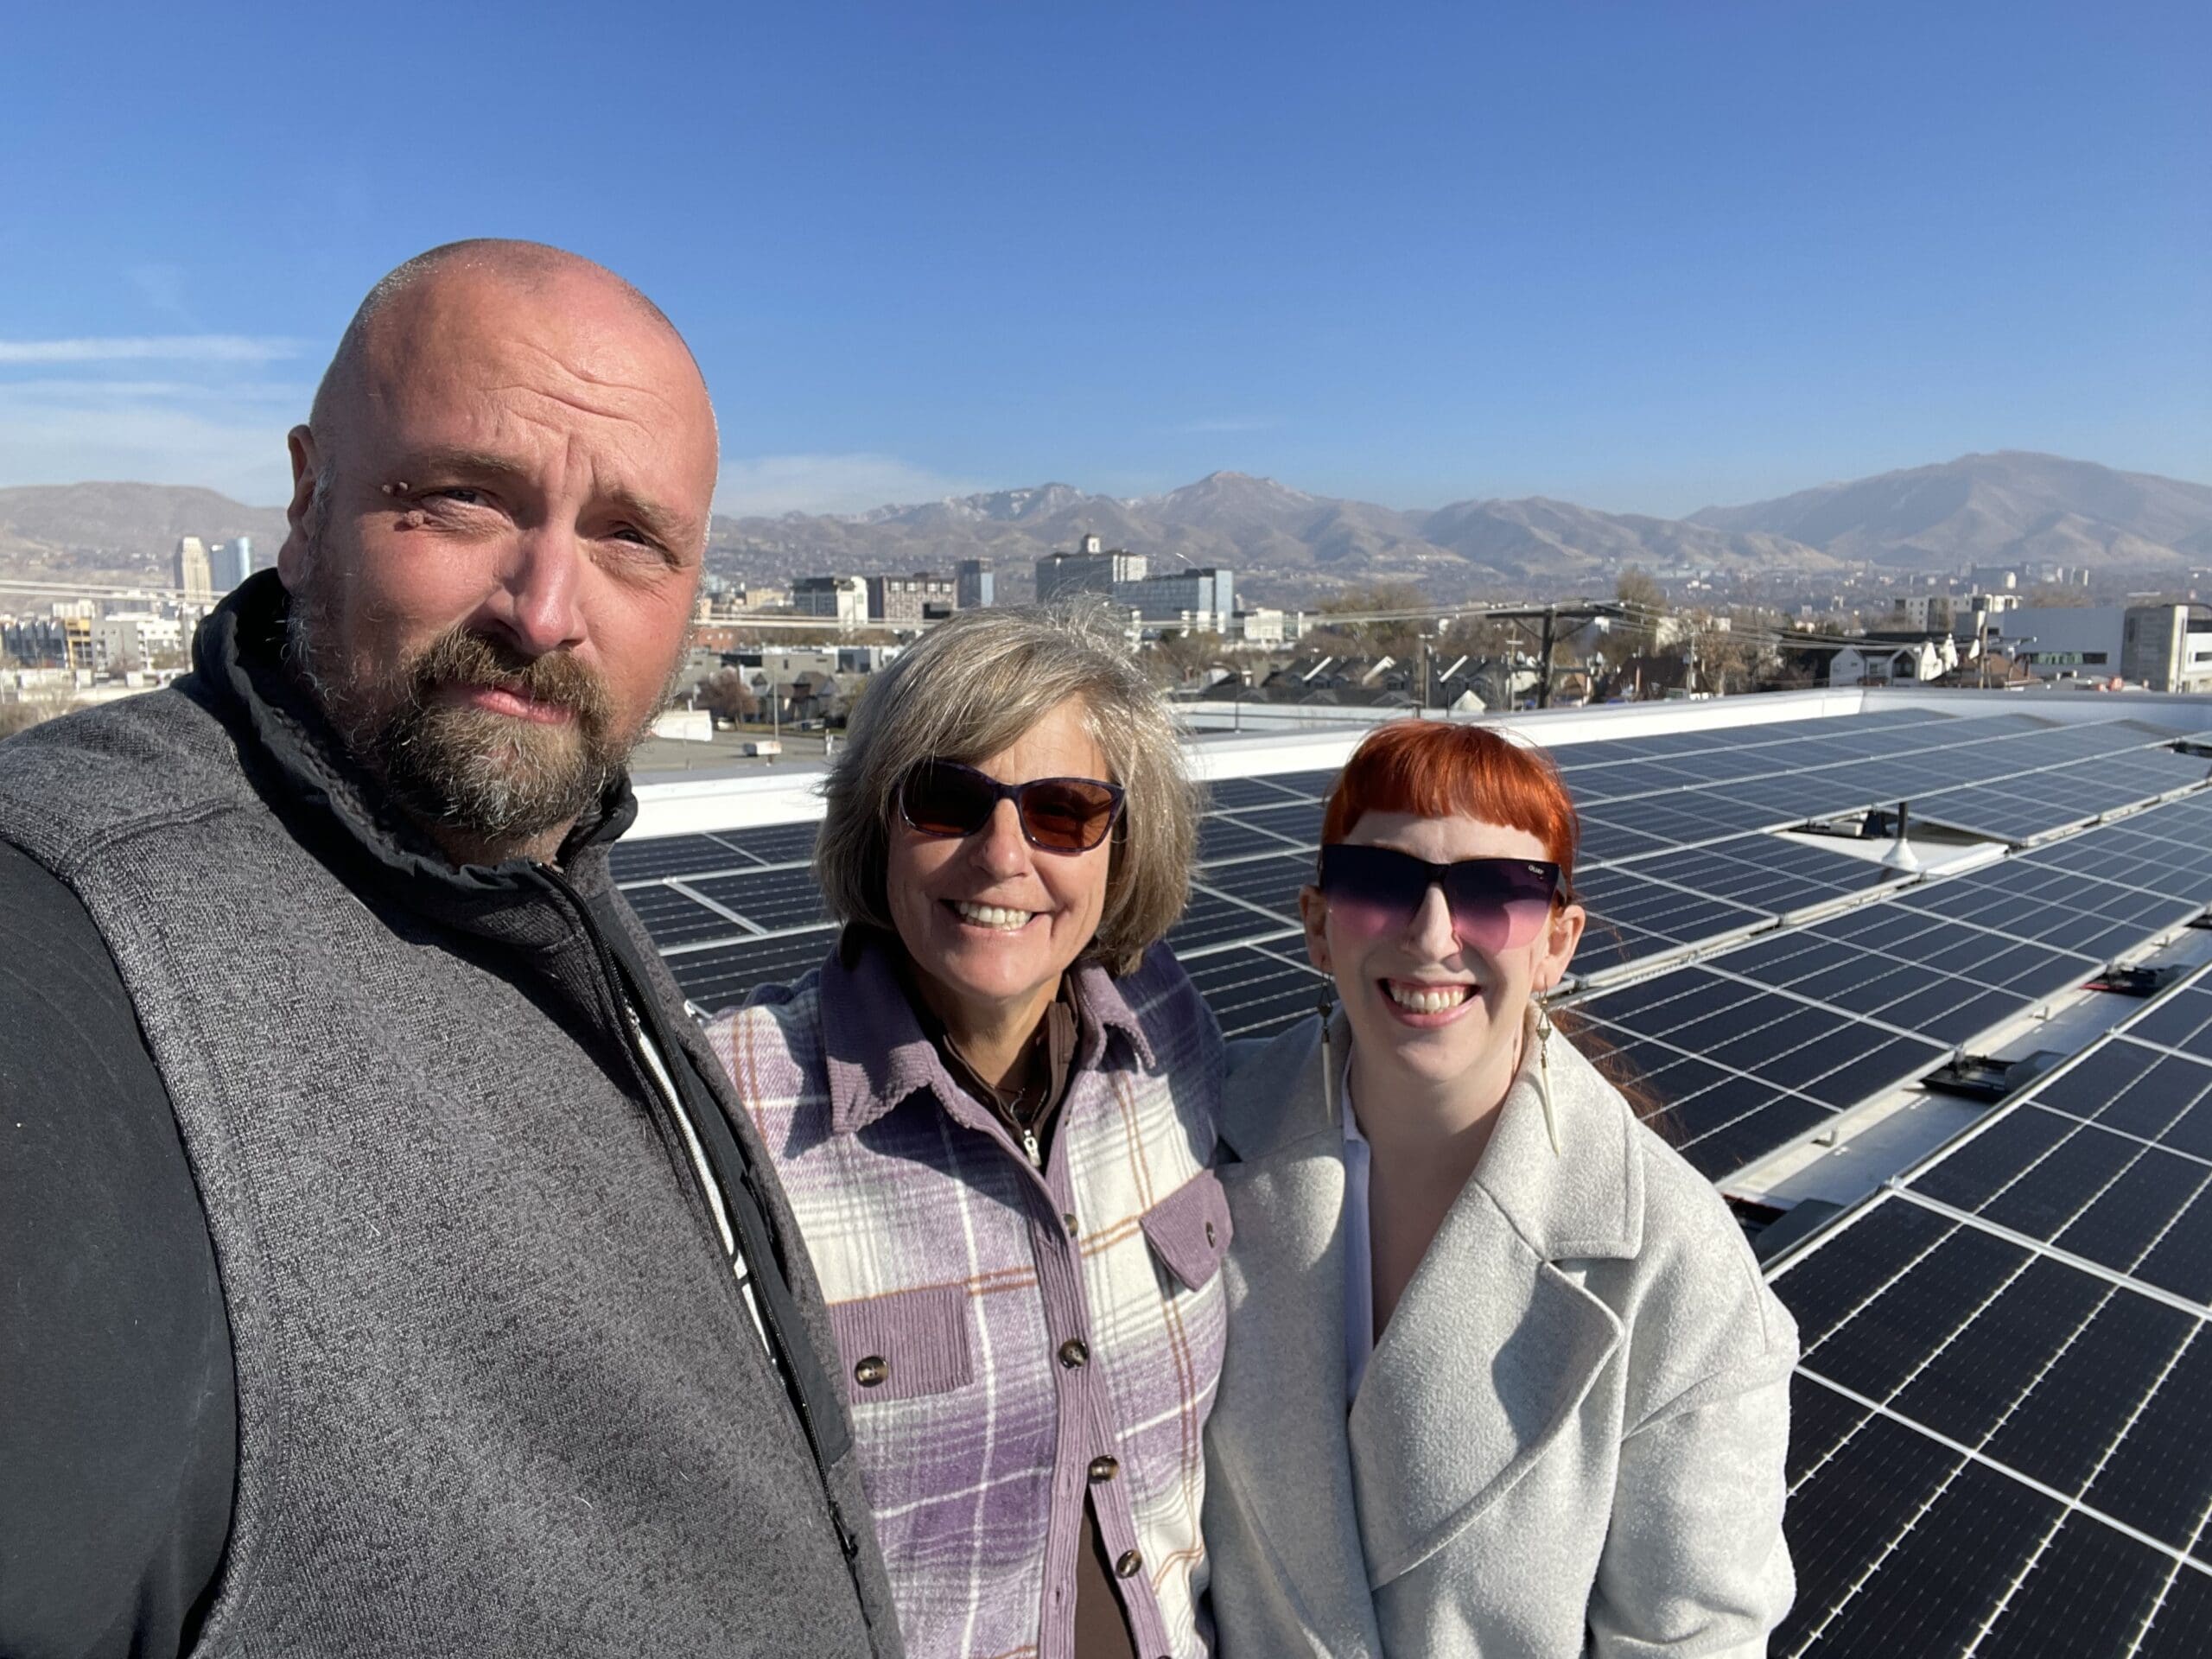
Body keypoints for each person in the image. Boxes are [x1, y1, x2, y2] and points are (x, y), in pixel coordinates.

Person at [0, 241, 902, 1658]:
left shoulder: (546, 872)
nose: (545, 611)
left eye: (630, 538)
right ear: (307, 502)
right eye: (463, 499)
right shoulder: (71, 947)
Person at [1203, 721, 1796, 1658]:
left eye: (1492, 892)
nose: (1432, 934)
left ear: (1557, 944)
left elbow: (1689, 1640)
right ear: (1317, 922)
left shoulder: (1676, 1264)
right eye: (1380, 883)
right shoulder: (1189, 1143)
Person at [709, 603, 1229, 1659]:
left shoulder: (1165, 1036)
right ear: (876, 823)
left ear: (1121, 850)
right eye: (947, 800)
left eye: (1064, 812)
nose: (1002, 856)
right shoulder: (736, 1114)